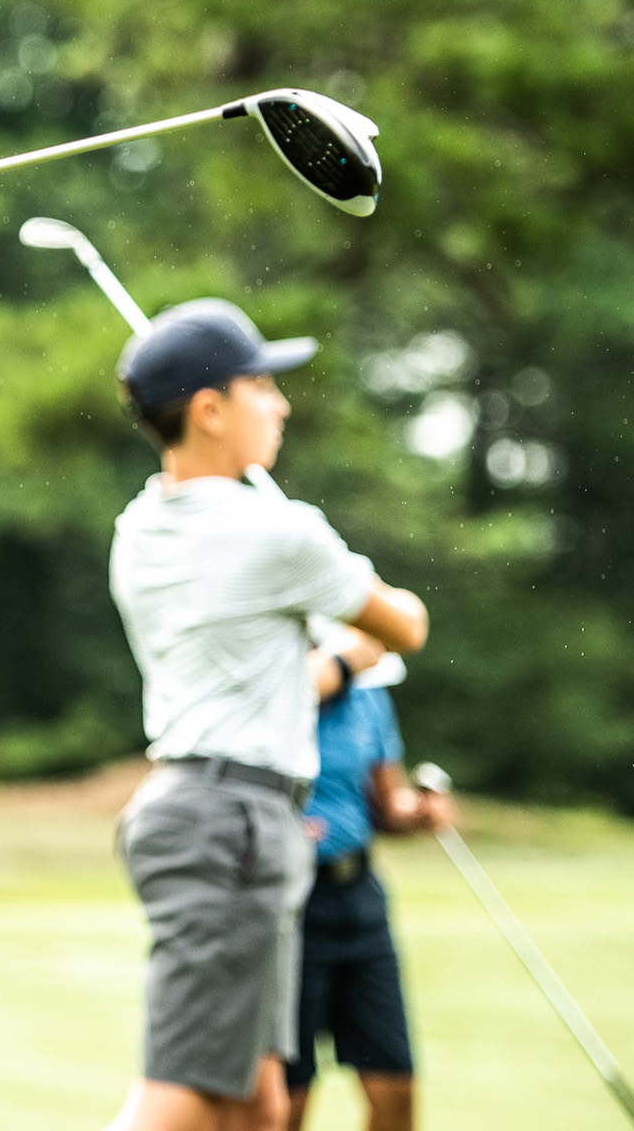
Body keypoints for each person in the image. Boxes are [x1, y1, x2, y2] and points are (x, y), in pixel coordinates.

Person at [104, 298, 429, 1131]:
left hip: (206, 813)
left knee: (260, 1099)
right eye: (261, 387)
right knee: (183, 1089)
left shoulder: (138, 528)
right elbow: (405, 626)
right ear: (210, 411)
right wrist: (347, 594)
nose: (280, 405)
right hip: (234, 824)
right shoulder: (280, 533)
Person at [285, 631, 455, 1131]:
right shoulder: (278, 703)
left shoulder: (369, 699)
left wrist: (418, 812)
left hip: (359, 899)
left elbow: (386, 805)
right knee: (289, 1095)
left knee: (395, 1083)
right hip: (290, 906)